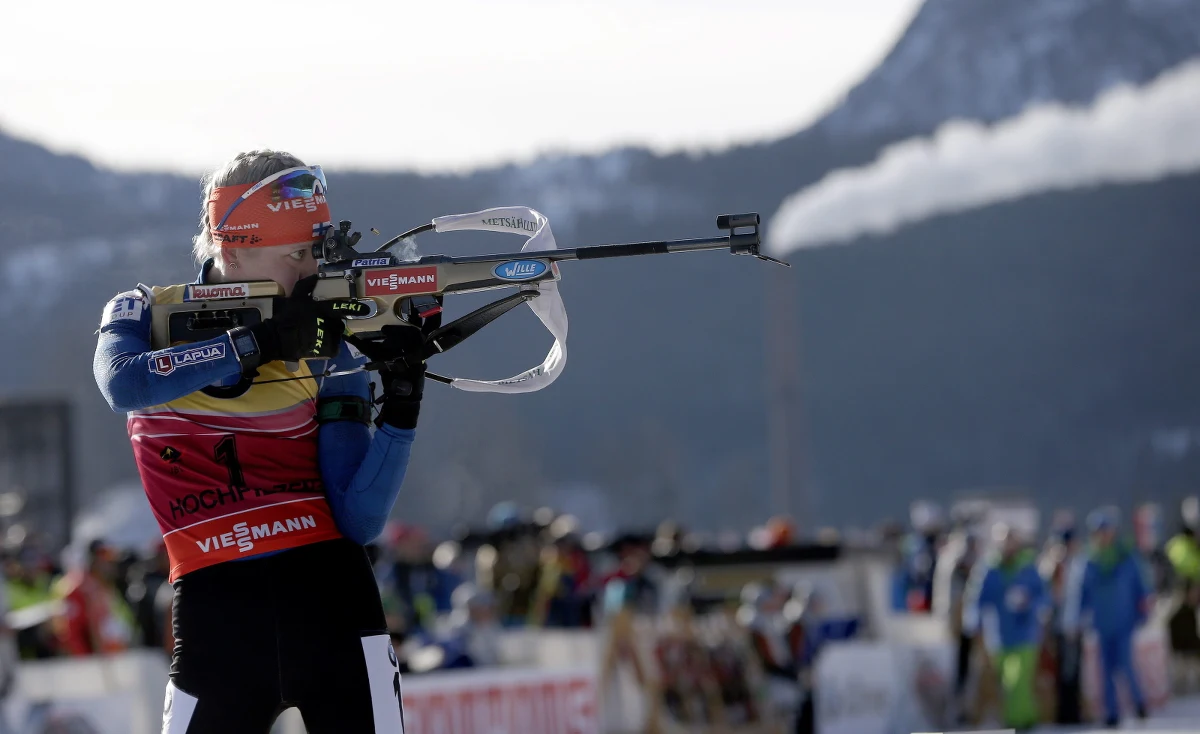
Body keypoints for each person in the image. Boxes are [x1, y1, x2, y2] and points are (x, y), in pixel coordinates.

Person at [92, 150, 425, 733]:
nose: (310, 270)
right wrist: (256, 343)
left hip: (332, 607)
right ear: (235, 247)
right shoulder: (148, 312)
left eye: (317, 253)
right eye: (296, 254)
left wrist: (401, 406)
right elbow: (124, 383)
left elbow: (359, 518)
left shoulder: (329, 344)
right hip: (215, 616)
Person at [963, 524, 1048, 731]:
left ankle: (1017, 723)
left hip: (1026, 634)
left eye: (1011, 540)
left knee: (1017, 680)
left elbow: (1045, 597)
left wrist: (1029, 603)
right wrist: (973, 624)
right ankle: (1027, 718)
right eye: (1004, 540)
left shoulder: (1028, 567)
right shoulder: (988, 569)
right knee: (1009, 684)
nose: (1008, 545)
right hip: (999, 636)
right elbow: (976, 600)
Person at [1071, 508, 1151, 727]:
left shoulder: (1126, 556)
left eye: (1106, 530)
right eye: (1099, 531)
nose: (1103, 535)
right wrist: (1078, 619)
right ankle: (1112, 712)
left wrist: (1144, 611)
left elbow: (1141, 587)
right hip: (1101, 623)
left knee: (1126, 664)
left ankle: (1139, 703)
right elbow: (1082, 593)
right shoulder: (1090, 560)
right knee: (1105, 669)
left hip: (1125, 620)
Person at [51, 540, 137, 656]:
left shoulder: (105, 586)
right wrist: (87, 662)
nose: (108, 563)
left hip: (112, 659)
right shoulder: (76, 588)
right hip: (87, 664)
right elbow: (70, 633)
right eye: (102, 558)